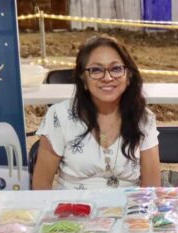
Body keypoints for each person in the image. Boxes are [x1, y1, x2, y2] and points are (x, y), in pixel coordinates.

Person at [33, 35, 161, 190]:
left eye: (116, 69)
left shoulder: (143, 118)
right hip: (71, 211)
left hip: (128, 211)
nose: (107, 77)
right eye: (96, 70)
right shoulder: (59, 116)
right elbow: (41, 186)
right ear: (83, 80)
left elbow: (152, 189)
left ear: (128, 77)